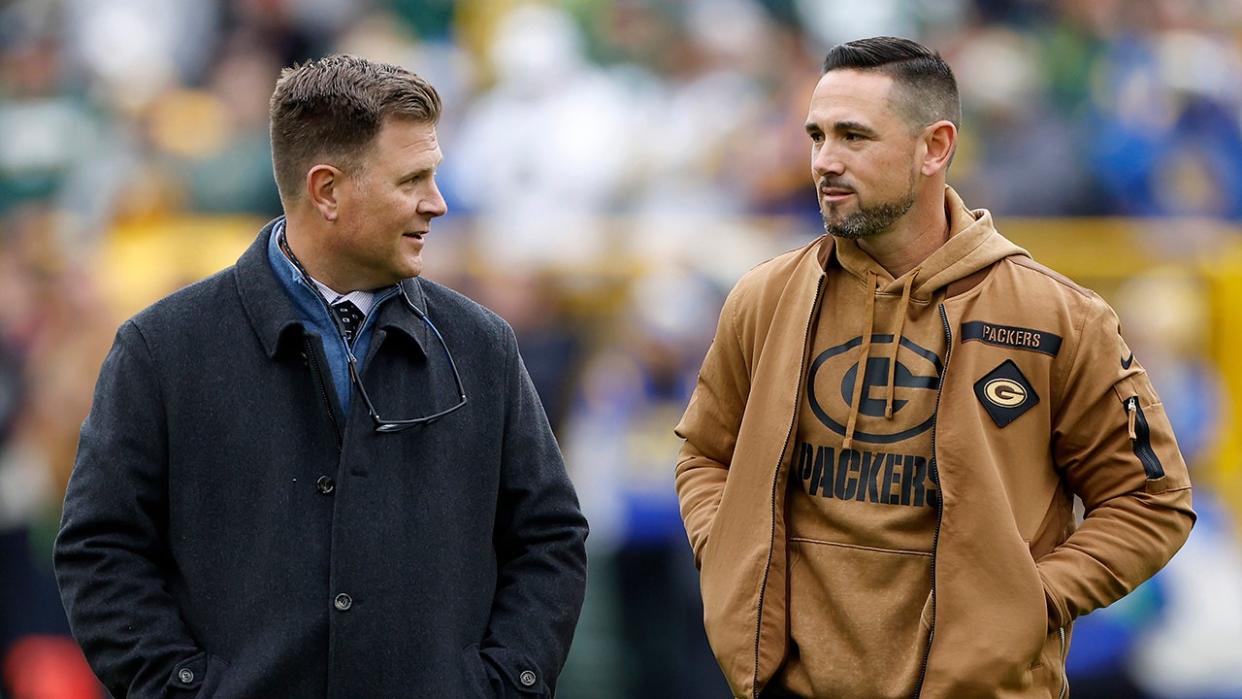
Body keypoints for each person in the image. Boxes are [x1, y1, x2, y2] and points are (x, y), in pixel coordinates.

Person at [674, 36, 1195, 699]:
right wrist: (732, 554)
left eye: (854, 137)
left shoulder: (1057, 315)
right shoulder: (763, 297)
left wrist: (1027, 600)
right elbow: (704, 455)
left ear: (935, 147)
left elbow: (1150, 501)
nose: (824, 161)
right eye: (816, 135)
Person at [54, 55, 588, 698]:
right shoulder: (161, 350)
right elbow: (101, 550)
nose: (437, 203)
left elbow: (549, 539)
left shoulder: (483, 346)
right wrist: (183, 689)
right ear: (327, 190)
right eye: (411, 179)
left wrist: (502, 684)